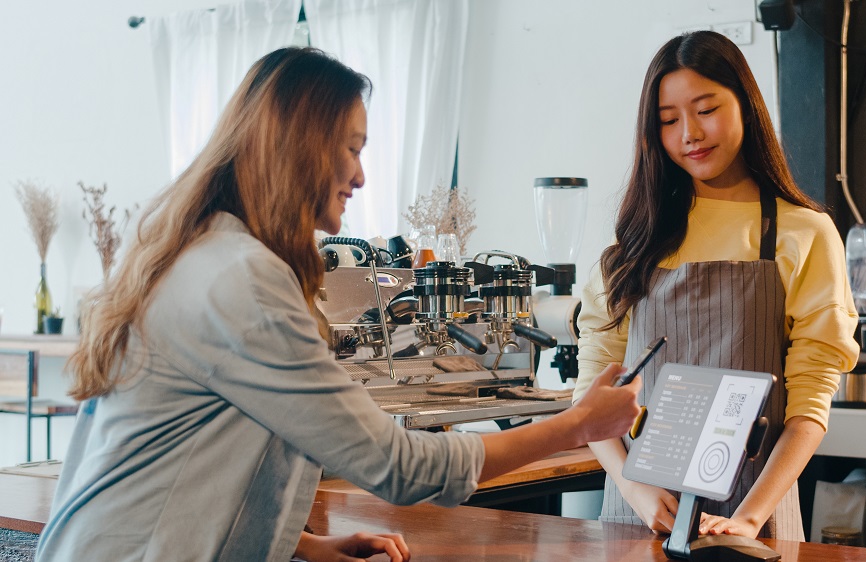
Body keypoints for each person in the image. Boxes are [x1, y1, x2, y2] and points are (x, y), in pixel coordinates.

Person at [35, 47, 642, 562]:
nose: (360, 176)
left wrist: (300, 543)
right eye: (351, 149)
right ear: (300, 148)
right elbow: (398, 466)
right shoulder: (243, 280)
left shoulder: (201, 251)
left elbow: (197, 451)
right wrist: (576, 424)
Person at [571, 30, 860, 541]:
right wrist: (637, 491)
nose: (690, 133)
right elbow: (592, 390)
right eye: (668, 120)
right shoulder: (637, 241)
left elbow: (810, 404)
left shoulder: (804, 233)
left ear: (746, 104)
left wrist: (748, 517)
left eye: (706, 109)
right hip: (636, 517)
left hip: (754, 517)